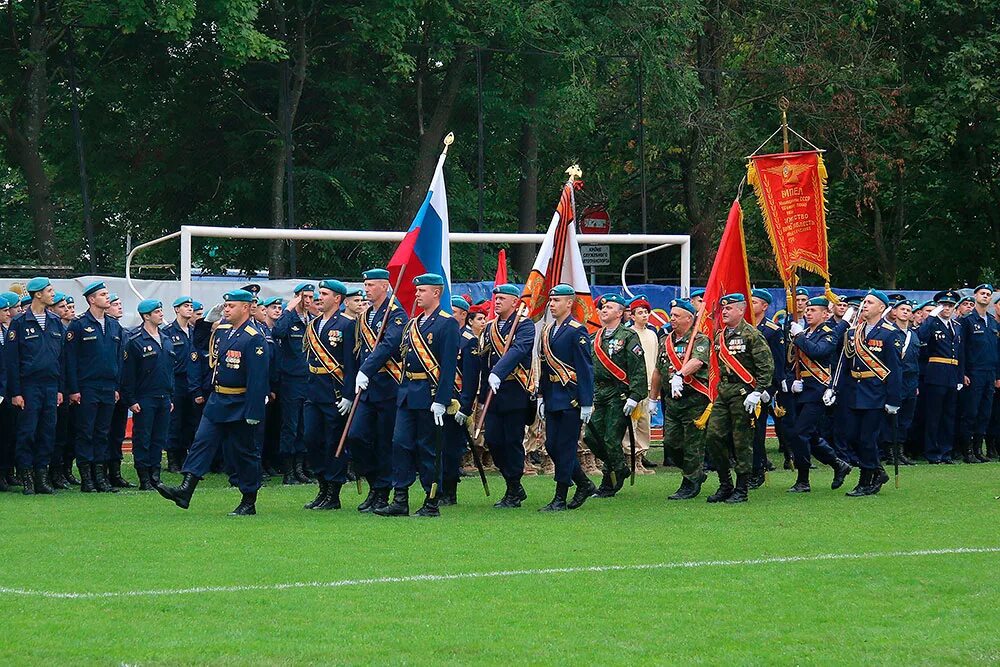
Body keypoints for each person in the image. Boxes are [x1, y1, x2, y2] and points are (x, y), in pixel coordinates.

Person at [156, 289, 270, 515]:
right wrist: (207, 322)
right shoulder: (225, 330)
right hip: (218, 400)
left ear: (246, 308)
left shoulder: (253, 337)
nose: (226, 310)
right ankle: (185, 490)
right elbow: (198, 345)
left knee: (244, 453)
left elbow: (257, 379)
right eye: (225, 306)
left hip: (240, 402)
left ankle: (248, 500)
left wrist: (254, 412)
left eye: (231, 306)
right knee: (202, 442)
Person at [376, 274, 459, 517]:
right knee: (400, 444)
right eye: (417, 290)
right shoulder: (413, 324)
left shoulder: (447, 323)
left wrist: (442, 400)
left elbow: (448, 367)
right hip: (407, 394)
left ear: (436, 293)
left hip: (430, 394)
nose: (417, 294)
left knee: (428, 449)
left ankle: (431, 500)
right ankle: (400, 498)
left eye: (422, 290)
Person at [347, 268, 409, 513]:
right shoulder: (365, 316)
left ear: (384, 286)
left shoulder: (396, 313)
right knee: (357, 436)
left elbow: (389, 344)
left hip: (389, 386)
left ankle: (382, 491)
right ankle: (374, 483)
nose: (367, 289)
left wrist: (367, 369)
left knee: (385, 441)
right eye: (366, 284)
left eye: (371, 285)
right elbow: (358, 351)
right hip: (366, 389)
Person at [704, 293, 774, 504]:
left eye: (729, 308)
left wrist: (757, 391)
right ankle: (725, 483)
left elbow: (766, 366)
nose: (724, 312)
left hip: (744, 394)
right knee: (714, 437)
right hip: (724, 392)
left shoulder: (752, 335)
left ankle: (742, 487)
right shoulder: (720, 336)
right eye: (723, 309)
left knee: (741, 441)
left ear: (741, 310)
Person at [536, 284, 596, 511]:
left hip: (571, 398)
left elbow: (585, 368)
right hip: (552, 396)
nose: (552, 304)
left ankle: (560, 496)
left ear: (569, 303)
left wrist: (586, 402)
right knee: (552, 445)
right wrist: (541, 396)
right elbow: (544, 366)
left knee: (566, 447)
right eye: (551, 301)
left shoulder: (576, 330)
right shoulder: (547, 330)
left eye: (557, 301)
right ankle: (583, 483)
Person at [787, 297, 854, 493]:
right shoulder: (804, 332)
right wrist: (792, 383)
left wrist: (799, 337)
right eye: (807, 310)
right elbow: (792, 362)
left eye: (813, 310)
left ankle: (803, 479)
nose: (808, 313)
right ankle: (838, 464)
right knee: (811, 435)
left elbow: (818, 352)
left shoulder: (829, 333)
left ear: (825, 314)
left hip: (818, 390)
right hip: (802, 390)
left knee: (800, 433)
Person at [839, 290, 902, 496]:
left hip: (876, 393)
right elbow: (846, 364)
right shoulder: (854, 332)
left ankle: (866, 481)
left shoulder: (889, 332)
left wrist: (893, 399)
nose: (864, 305)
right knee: (851, 437)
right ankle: (878, 471)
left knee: (867, 439)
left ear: (881, 308)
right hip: (855, 392)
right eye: (864, 302)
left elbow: (894, 370)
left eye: (870, 302)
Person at [5, 277, 65, 494]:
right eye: (49, 290)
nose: (52, 293)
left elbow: (61, 358)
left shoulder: (55, 321)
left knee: (47, 432)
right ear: (37, 294)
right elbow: (12, 361)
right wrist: (16, 392)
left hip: (50, 385)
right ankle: (27, 476)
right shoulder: (20, 323)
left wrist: (60, 388)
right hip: (29, 386)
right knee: (27, 432)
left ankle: (42, 476)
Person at [478, 283, 536, 508]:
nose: (498, 301)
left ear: (515, 302)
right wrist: (482, 396)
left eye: (503, 298)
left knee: (511, 441)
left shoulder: (525, 325)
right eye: (496, 298)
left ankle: (513, 487)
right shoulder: (489, 327)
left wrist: (499, 372)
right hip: (494, 393)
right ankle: (513, 483)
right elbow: (484, 362)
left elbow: (519, 349)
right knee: (492, 440)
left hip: (515, 391)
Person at [584, 293, 647, 498]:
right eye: (602, 307)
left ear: (620, 313)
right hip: (600, 393)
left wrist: (635, 396)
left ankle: (608, 482)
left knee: (611, 439)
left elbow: (638, 368)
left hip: (619, 394)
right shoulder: (595, 337)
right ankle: (619, 467)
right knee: (592, 437)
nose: (604, 310)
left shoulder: (628, 336)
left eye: (609, 307)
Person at [65, 281, 125, 493]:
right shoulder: (79, 325)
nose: (106, 297)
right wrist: (73, 389)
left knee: (103, 432)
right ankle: (87, 479)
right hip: (87, 386)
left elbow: (118, 359)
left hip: (108, 386)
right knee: (86, 432)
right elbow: (70, 360)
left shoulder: (114, 325)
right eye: (102, 294)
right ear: (91, 299)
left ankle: (101, 477)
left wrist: (117, 386)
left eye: (107, 294)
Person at [301, 280, 355, 511]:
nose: (318, 297)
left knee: (334, 442)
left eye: (324, 294)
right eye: (318, 293)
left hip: (334, 391)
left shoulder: (347, 325)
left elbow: (351, 364)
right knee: (311, 439)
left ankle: (333, 492)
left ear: (337, 299)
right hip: (314, 390)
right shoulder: (313, 325)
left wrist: (348, 394)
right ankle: (322, 485)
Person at [649, 298, 710, 500]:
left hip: (694, 399)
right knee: (672, 444)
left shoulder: (699, 339)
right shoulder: (665, 340)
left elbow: (698, 360)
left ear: (689, 318)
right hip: (672, 402)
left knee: (693, 444)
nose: (672, 318)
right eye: (671, 315)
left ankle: (690, 483)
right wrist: (653, 398)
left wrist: (680, 374)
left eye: (676, 315)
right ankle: (696, 473)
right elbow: (658, 370)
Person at [121, 300, 175, 490]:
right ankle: (144, 477)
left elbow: (170, 371)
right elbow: (128, 374)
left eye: (161, 310)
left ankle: (155, 475)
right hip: (144, 397)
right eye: (157, 312)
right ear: (146, 316)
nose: (161, 314)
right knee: (142, 438)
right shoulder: (135, 340)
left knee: (159, 438)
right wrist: (131, 399)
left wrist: (171, 396)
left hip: (163, 396)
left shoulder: (166, 339)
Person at [272, 283, 315, 485]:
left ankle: (300, 468)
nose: (308, 301)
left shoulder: (311, 320)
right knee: (290, 425)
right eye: (304, 297)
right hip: (291, 380)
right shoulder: (290, 320)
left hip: (309, 379)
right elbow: (278, 333)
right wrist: (289, 309)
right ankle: (288, 471)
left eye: (310, 297)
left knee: (304, 426)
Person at [917, 290, 964, 463]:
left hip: (952, 374)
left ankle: (946, 451)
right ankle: (932, 451)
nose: (947, 308)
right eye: (944, 305)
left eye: (951, 305)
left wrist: (959, 377)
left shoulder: (957, 326)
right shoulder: (933, 324)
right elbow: (920, 337)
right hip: (936, 373)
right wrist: (931, 318)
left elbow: (961, 354)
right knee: (934, 415)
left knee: (949, 416)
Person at [442, 296, 477, 505]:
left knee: (451, 448)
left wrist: (465, 406)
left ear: (463, 314)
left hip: (456, 401)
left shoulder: (468, 339)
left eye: (453, 312)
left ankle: (450, 491)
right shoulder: (444, 335)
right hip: (440, 397)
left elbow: (471, 378)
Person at [958, 284, 999, 463]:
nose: (985, 296)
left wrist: (997, 375)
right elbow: (961, 349)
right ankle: (967, 450)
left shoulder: (993, 322)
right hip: (974, 373)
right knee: (971, 412)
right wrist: (963, 372)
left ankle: (978, 449)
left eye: (988, 294)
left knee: (985, 413)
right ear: (975, 296)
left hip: (990, 373)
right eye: (982, 293)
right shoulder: (967, 321)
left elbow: (996, 352)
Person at [622, 295, 658, 474]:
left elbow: (655, 361)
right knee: (631, 425)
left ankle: (640, 458)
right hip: (634, 386)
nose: (644, 315)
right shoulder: (628, 334)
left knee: (645, 425)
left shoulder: (652, 334)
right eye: (640, 312)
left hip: (649, 386)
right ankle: (630, 459)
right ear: (631, 316)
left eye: (646, 312)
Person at [882, 299, 919, 466]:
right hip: (896, 379)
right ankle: (890, 452)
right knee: (892, 418)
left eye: (908, 310)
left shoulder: (914, 334)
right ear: (894, 312)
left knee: (906, 418)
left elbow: (916, 361)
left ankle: (900, 451)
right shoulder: (889, 332)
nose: (905, 312)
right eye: (902, 309)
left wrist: (916, 384)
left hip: (911, 381)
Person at [163, 297, 196, 473]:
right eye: (185, 306)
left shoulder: (194, 330)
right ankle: (173, 458)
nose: (189, 309)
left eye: (191, 306)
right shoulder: (169, 331)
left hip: (192, 381)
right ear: (176, 309)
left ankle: (186, 457)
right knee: (175, 421)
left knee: (190, 421)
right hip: (176, 379)